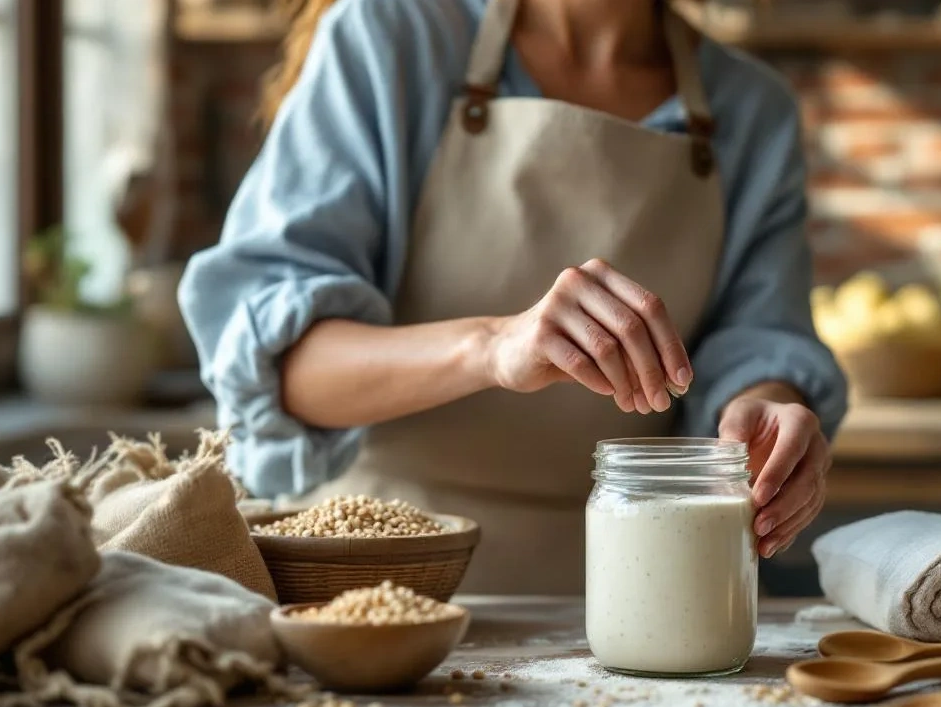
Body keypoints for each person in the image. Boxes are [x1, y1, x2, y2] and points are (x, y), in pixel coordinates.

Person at [179, 0, 848, 594]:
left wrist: (770, 408)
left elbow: (760, 336)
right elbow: (289, 371)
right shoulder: (389, 36)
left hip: (628, 595)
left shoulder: (754, 110)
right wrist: (493, 346)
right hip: (370, 580)